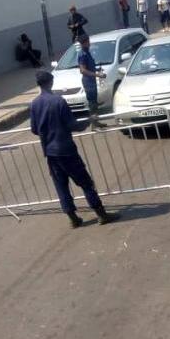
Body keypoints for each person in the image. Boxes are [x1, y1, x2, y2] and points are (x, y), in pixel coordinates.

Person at [29, 71, 119, 228]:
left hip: (50, 152)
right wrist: (89, 121)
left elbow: (34, 129)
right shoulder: (59, 101)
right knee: (85, 182)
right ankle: (101, 214)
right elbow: (72, 125)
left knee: (61, 185)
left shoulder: (34, 104)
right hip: (66, 150)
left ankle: (72, 218)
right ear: (51, 82)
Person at [77, 34, 107, 128]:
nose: (89, 43)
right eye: (88, 42)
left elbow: (90, 67)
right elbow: (83, 70)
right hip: (88, 82)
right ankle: (94, 125)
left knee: (94, 103)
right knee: (92, 104)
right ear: (84, 43)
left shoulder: (87, 52)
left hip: (92, 81)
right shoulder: (82, 54)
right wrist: (98, 75)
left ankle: (97, 122)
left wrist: (97, 69)